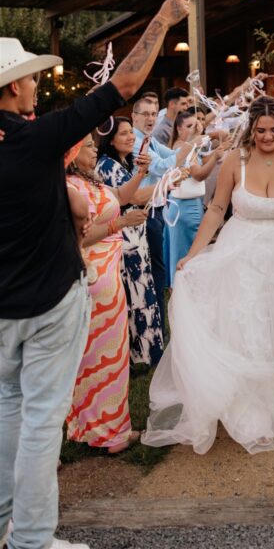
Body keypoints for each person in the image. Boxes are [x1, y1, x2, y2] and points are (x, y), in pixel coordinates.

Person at [0, 0, 190, 549]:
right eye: (31, 80)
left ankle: (6, 524)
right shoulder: (36, 139)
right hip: (49, 300)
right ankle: (32, 538)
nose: (37, 87)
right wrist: (163, 18)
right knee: (39, 420)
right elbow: (123, 87)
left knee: (8, 411)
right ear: (14, 87)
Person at [142, 95, 274, 455]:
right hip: (241, 254)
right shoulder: (235, 162)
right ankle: (256, 412)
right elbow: (217, 209)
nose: (268, 137)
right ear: (251, 130)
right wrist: (191, 255)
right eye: (261, 131)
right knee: (251, 331)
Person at [65, 136, 150, 452]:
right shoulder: (72, 187)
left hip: (107, 271)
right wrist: (122, 222)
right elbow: (80, 240)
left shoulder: (89, 180)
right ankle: (110, 434)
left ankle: (89, 428)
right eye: (87, 145)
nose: (94, 148)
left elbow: (119, 195)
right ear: (73, 153)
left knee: (95, 356)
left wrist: (141, 174)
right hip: (96, 276)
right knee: (107, 355)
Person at [96, 118, 166, 366]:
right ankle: (139, 356)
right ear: (110, 139)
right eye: (123, 133)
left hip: (135, 236)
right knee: (135, 296)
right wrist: (166, 183)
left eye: (130, 133)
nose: (130, 137)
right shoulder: (107, 166)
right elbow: (131, 196)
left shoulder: (121, 163)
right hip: (124, 237)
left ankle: (147, 353)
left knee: (142, 291)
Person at [130, 97, 193, 333]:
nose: (150, 118)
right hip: (143, 210)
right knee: (154, 268)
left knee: (158, 267)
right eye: (145, 114)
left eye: (153, 114)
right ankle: (157, 325)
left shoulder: (151, 140)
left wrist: (187, 147)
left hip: (156, 208)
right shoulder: (136, 143)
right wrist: (187, 148)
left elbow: (173, 156)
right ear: (134, 115)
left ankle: (158, 321)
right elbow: (162, 166)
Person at [163, 111, 219, 284]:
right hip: (187, 208)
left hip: (179, 206)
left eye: (195, 125)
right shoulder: (183, 148)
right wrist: (217, 156)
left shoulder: (186, 147)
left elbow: (206, 157)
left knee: (181, 253)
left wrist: (221, 147)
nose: (193, 129)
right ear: (178, 129)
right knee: (190, 256)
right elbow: (199, 174)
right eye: (188, 126)